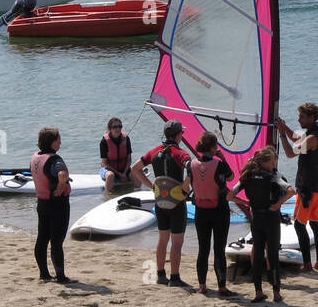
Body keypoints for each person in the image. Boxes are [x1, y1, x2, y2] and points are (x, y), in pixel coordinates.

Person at [231, 147, 294, 304]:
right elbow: (291, 191)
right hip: (271, 218)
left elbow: (229, 195)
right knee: (272, 256)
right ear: (267, 162)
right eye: (273, 160)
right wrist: (277, 205)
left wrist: (246, 203)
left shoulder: (247, 175)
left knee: (258, 255)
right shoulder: (274, 176)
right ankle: (276, 293)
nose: (274, 163)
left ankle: (258, 292)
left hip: (256, 218)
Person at [139, 120, 191, 287]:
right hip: (176, 202)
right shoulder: (181, 153)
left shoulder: (154, 151)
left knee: (162, 239)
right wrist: (185, 186)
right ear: (178, 135)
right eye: (181, 133)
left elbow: (135, 168)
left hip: (160, 201)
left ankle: (161, 275)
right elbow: (192, 168)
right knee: (177, 242)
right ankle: (175, 277)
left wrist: (151, 185)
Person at [277, 102, 318, 272]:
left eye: (302, 117)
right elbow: (296, 138)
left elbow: (290, 153)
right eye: (298, 116)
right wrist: (284, 127)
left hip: (307, 189)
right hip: (315, 187)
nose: (299, 120)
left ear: (312, 118)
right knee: (314, 223)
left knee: (299, 224)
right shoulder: (313, 132)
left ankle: (307, 264)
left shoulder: (312, 138)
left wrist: (281, 134)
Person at [188, 132, 236, 297]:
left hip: (201, 211)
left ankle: (202, 286)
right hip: (219, 211)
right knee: (219, 249)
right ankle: (221, 288)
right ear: (214, 147)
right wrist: (222, 157)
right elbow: (231, 177)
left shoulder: (190, 164)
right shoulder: (219, 164)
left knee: (203, 249)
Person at [31, 127, 73, 284]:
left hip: (42, 203)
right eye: (58, 139)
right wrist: (60, 187)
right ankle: (61, 277)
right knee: (56, 241)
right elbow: (63, 174)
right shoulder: (55, 159)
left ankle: (44, 274)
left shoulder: (35, 157)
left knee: (42, 238)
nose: (60, 142)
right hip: (58, 204)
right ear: (52, 141)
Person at [99, 117, 133, 195]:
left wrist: (124, 173)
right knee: (110, 175)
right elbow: (104, 163)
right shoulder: (104, 141)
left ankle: (134, 194)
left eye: (120, 126)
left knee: (136, 177)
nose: (118, 129)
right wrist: (119, 174)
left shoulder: (126, 139)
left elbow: (129, 160)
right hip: (109, 169)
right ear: (110, 128)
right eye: (115, 127)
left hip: (123, 169)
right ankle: (107, 196)